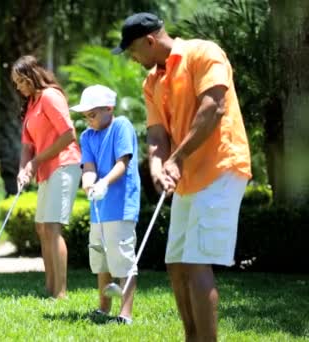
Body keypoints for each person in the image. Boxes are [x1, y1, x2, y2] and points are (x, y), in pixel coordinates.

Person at [112, 13, 252, 340]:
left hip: (220, 167)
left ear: (149, 41)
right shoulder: (152, 82)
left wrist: (176, 158)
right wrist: (158, 167)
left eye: (132, 51)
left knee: (196, 262)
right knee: (176, 263)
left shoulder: (204, 53)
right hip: (187, 176)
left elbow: (213, 108)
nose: (133, 59)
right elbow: (157, 134)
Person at [12, 55, 82, 299]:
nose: (18, 87)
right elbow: (27, 147)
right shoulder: (32, 104)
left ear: (31, 76)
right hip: (45, 169)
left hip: (64, 165)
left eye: (20, 81)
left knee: (52, 228)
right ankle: (50, 288)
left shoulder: (51, 96)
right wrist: (24, 168)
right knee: (42, 228)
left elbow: (68, 135)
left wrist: (35, 162)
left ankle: (59, 293)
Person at [70, 85, 141, 325]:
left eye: (92, 114)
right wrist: (89, 183)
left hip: (121, 207)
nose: (88, 120)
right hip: (98, 209)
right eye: (85, 116)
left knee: (123, 260)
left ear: (108, 109)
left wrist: (104, 183)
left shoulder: (121, 126)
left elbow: (123, 163)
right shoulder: (87, 136)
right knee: (101, 260)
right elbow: (88, 166)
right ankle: (103, 308)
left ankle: (125, 314)